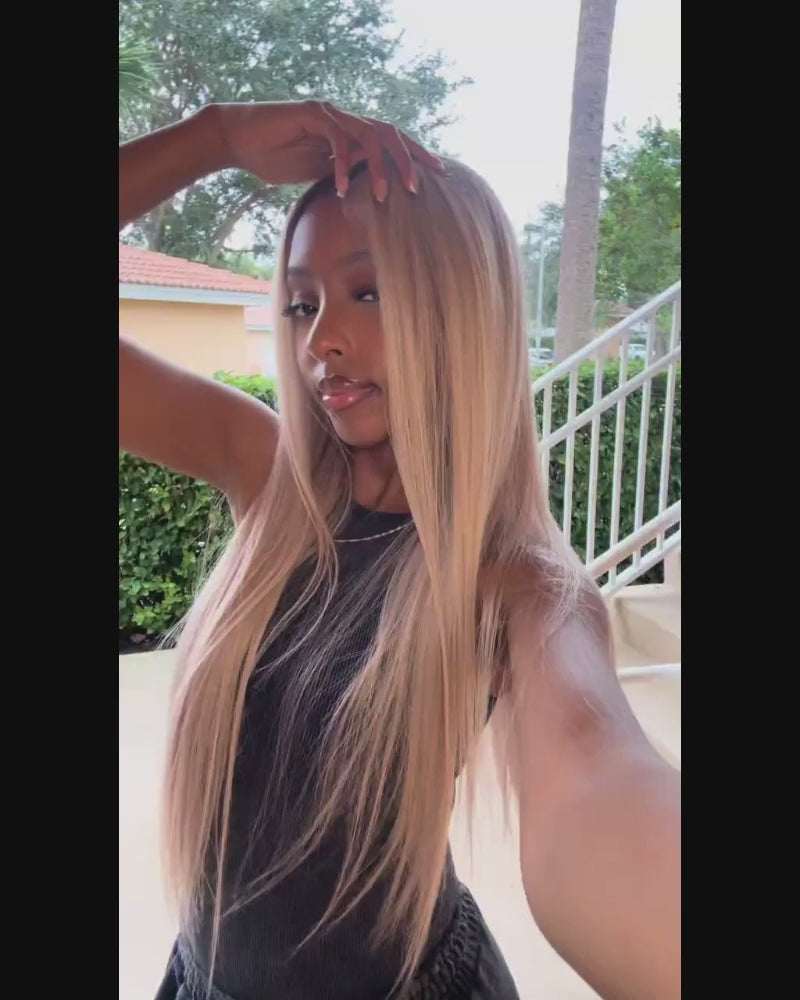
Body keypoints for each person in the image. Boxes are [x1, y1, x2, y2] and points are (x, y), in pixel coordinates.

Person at [119, 100, 680, 1000]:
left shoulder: (516, 581)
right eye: (302, 303)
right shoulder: (270, 478)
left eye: (369, 292)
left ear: (464, 308)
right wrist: (214, 137)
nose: (321, 340)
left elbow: (598, 767)